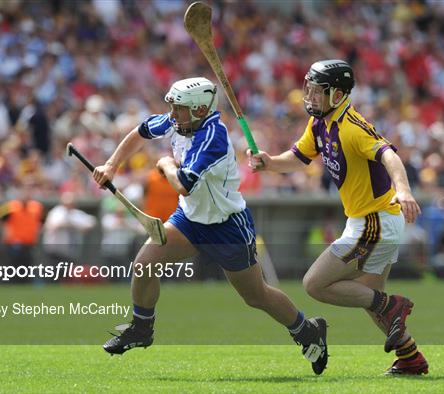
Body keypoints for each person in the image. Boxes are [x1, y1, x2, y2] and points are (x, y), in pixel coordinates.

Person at [92, 77, 328, 374]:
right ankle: (141, 328)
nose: (173, 114)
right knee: (144, 264)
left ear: (200, 109)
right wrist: (112, 164)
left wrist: (165, 163)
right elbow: (140, 132)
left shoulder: (212, 137)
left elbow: (184, 184)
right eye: (173, 108)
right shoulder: (178, 121)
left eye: (179, 109)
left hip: (227, 226)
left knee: (256, 295)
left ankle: (307, 331)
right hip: (189, 220)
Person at [248, 60, 428, 375]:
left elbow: (390, 155)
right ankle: (411, 357)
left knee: (315, 284)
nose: (311, 96)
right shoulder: (320, 124)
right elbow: (298, 157)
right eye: (311, 89)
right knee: (370, 299)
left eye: (319, 91)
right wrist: (269, 162)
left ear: (339, 94)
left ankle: (394, 306)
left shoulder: (353, 127)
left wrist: (404, 190)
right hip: (370, 221)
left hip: (376, 220)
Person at [0, 188, 44, 283]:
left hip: (29, 243)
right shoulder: (12, 206)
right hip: (14, 243)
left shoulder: (36, 207)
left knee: (27, 268)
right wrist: (3, 230)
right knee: (14, 268)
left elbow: (42, 221)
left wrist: (37, 231)